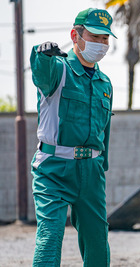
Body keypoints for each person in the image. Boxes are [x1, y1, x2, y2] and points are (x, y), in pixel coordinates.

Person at [30, 8, 117, 267]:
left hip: (90, 171)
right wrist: (41, 54)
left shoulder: (105, 83)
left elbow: (105, 132)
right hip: (53, 169)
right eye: (94, 36)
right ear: (75, 36)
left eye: (105, 39)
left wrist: (101, 167)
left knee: (97, 242)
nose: (101, 44)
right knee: (49, 238)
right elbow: (41, 73)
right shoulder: (59, 71)